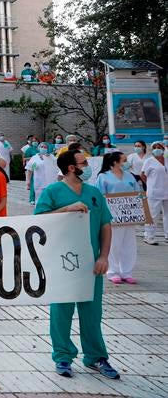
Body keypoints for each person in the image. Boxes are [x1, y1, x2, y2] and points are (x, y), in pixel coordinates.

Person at [34, 149, 118, 380]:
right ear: (72, 168)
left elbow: (105, 225)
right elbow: (38, 222)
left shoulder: (94, 193)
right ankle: (63, 356)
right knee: (61, 312)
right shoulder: (52, 191)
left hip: (91, 264)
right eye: (84, 163)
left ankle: (96, 357)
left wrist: (104, 256)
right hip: (61, 262)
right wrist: (66, 209)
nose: (88, 166)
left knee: (92, 313)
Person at [96, 152, 141, 284]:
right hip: (112, 216)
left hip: (129, 215)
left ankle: (126, 271)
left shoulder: (129, 175)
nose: (127, 162)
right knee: (114, 244)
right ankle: (112, 271)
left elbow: (138, 193)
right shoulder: (103, 177)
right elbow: (99, 196)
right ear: (115, 162)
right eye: (124, 160)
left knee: (129, 244)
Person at [142, 142, 167, 245]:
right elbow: (143, 175)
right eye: (155, 148)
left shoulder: (167, 160)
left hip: (166, 191)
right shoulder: (149, 161)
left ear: (163, 149)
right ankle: (149, 236)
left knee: (167, 215)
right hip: (154, 192)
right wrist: (151, 185)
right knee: (153, 215)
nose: (157, 149)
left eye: (159, 147)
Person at [25, 142, 59, 206]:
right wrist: (28, 181)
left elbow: (57, 169)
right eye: (41, 147)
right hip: (39, 183)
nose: (43, 148)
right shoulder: (34, 158)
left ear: (48, 148)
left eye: (45, 147)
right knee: (39, 200)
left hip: (50, 183)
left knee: (50, 200)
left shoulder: (52, 158)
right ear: (39, 148)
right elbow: (29, 170)